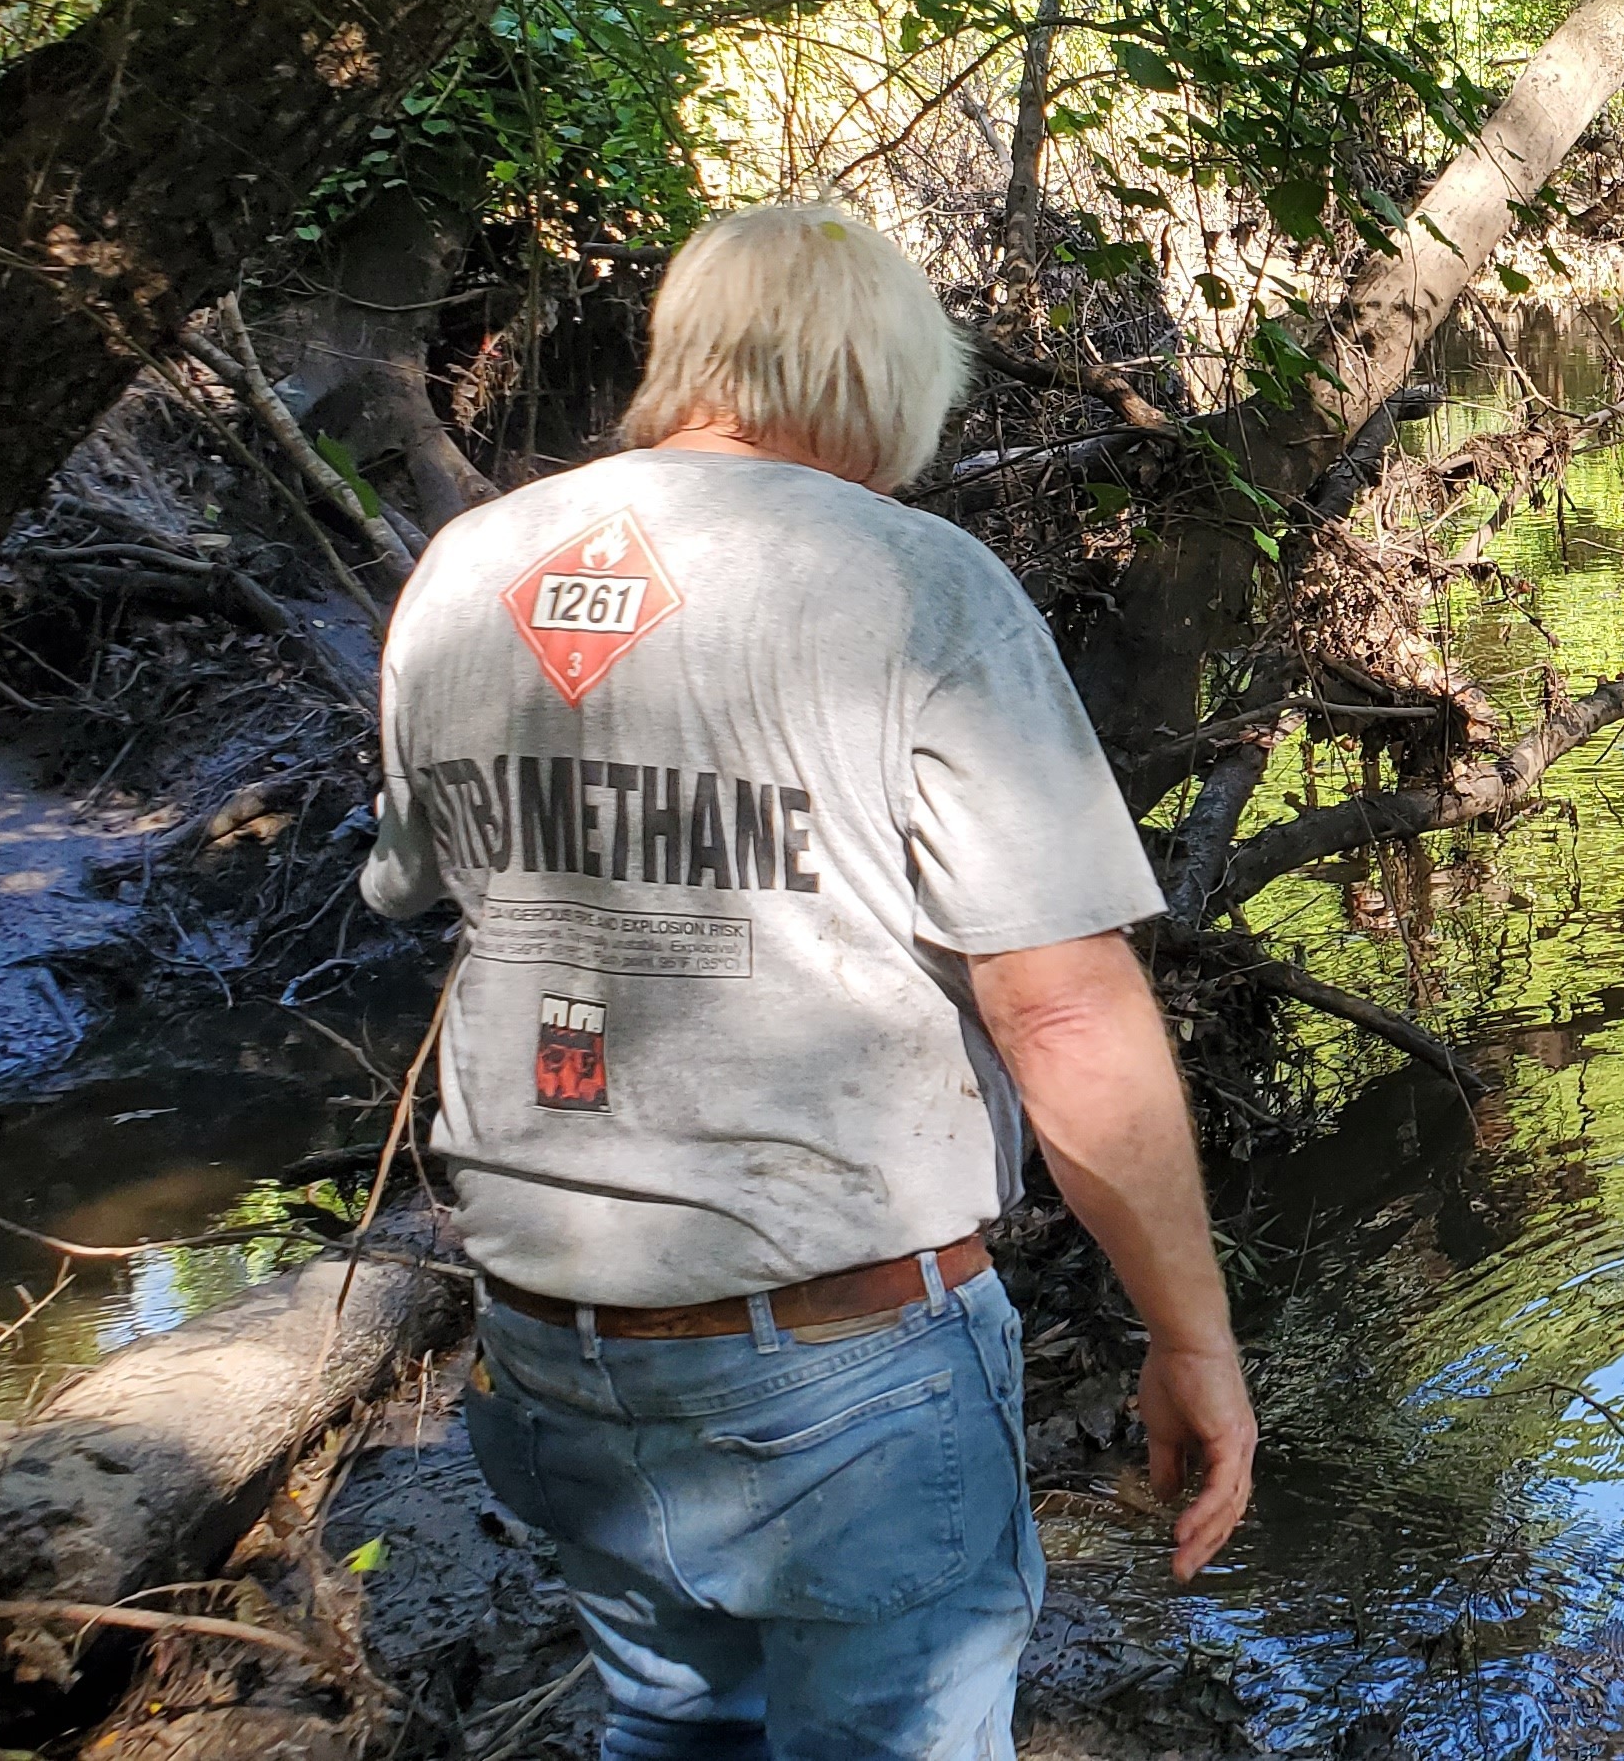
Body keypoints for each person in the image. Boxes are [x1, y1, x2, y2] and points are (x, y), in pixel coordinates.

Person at [361, 200, 1256, 1761]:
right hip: (836, 1363)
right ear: (888, 378)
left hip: (547, 1337)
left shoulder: (467, 568)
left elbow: (446, 893)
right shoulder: (914, 579)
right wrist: (1194, 1340)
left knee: (672, 1723)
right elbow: (1060, 1008)